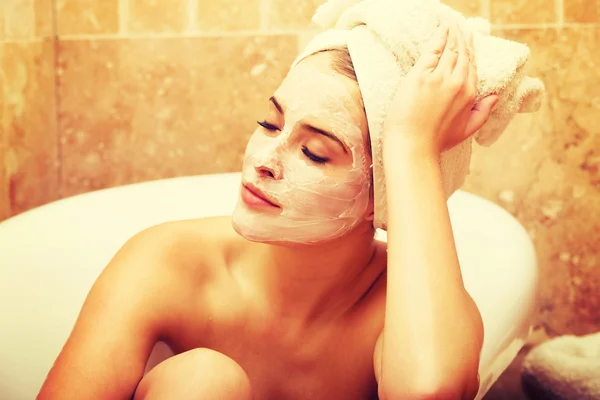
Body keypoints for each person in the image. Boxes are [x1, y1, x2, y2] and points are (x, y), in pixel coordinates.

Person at [37, 23, 499, 400]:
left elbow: (429, 390)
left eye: (315, 152)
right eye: (269, 123)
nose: (264, 159)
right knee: (203, 380)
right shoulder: (166, 262)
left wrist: (411, 147)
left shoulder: (407, 311)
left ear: (384, 194)